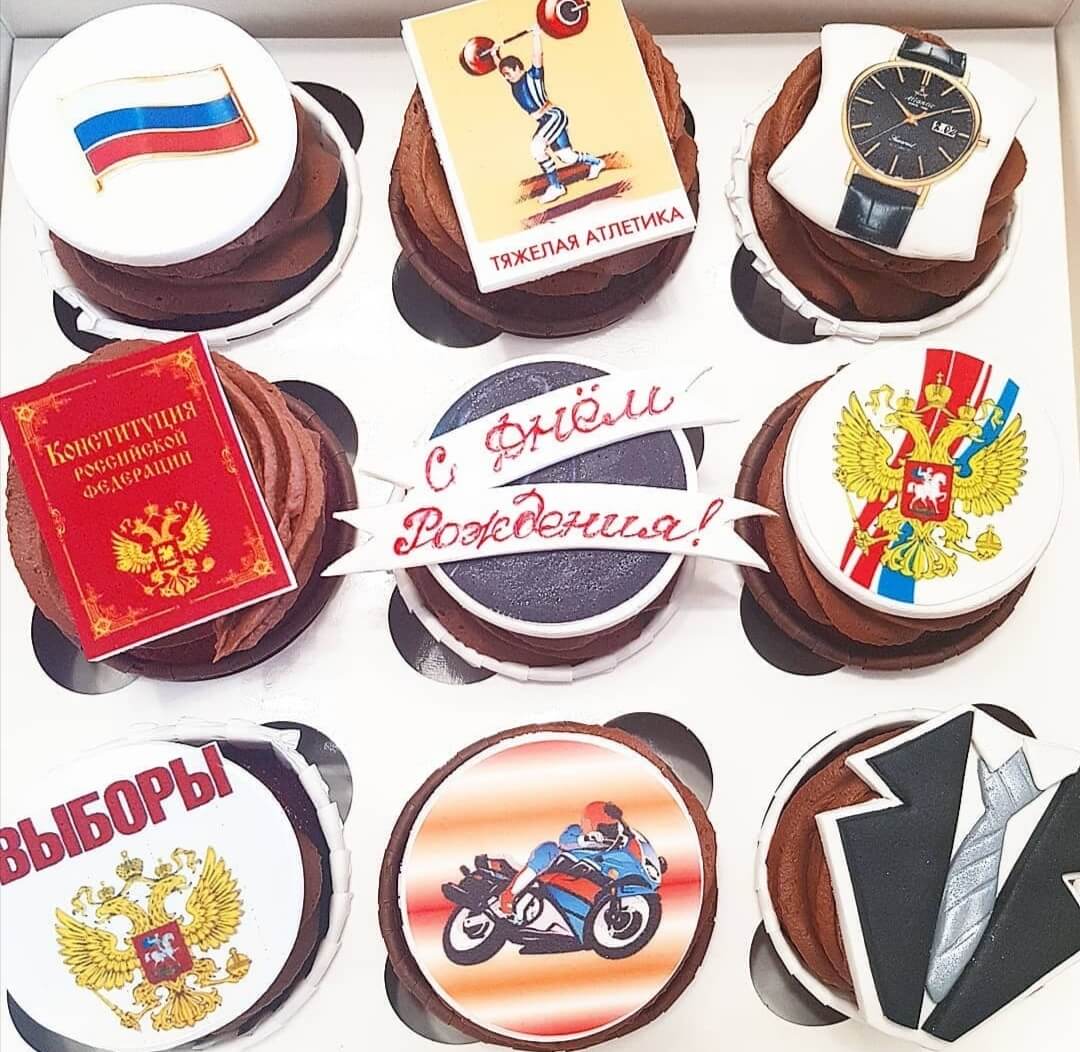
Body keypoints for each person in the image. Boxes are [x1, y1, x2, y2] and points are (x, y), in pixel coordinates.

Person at [495, 25, 605, 204]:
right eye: (504, 75)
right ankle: (596, 162)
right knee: (567, 157)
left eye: (508, 73)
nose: (506, 77)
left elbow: (537, 56)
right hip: (545, 121)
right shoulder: (513, 83)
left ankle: (556, 186)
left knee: (537, 147)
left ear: (518, 68)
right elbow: (501, 67)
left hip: (554, 116)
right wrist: (494, 53)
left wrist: (536, 35)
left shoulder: (533, 76)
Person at [498, 801, 642, 917]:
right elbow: (564, 841)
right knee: (549, 848)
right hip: (559, 868)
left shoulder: (615, 845)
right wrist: (584, 840)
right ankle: (510, 894)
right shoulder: (576, 831)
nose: (609, 831)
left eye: (611, 827)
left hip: (581, 879)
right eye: (605, 827)